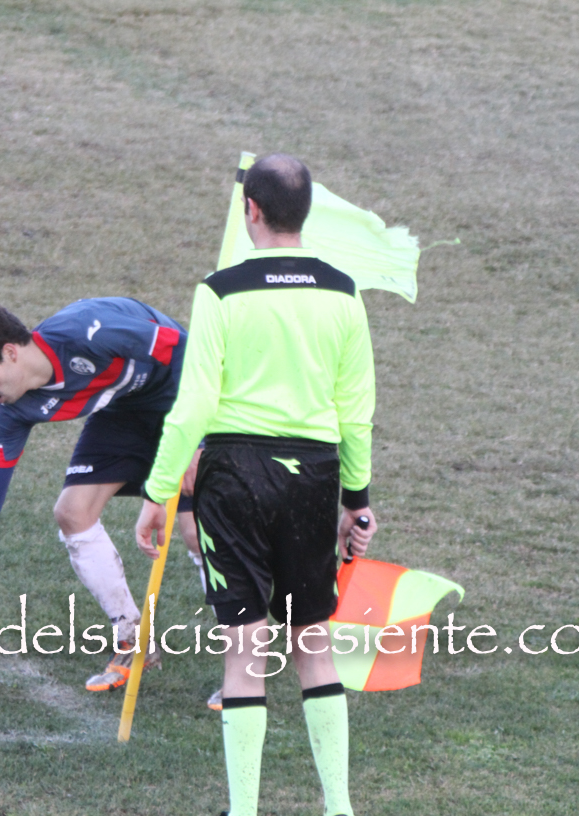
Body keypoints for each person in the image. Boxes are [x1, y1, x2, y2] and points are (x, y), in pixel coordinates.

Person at [134, 154, 377, 816]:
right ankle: (339, 808)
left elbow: (193, 406)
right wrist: (356, 501)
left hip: (234, 477)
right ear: (306, 212)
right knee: (313, 644)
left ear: (252, 210)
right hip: (313, 476)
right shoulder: (343, 292)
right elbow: (356, 411)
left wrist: (160, 492)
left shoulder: (220, 290)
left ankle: (243, 811)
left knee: (245, 648)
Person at [0, 297, 199, 692]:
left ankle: (245, 662)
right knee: (73, 512)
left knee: (196, 530)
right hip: (124, 409)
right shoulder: (14, 408)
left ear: (11, 353)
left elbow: (188, 350)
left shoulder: (90, 331)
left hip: (185, 397)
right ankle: (133, 639)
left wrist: (197, 438)